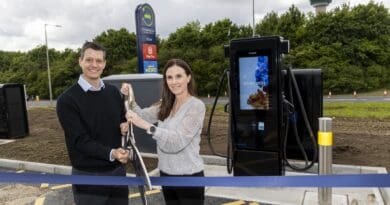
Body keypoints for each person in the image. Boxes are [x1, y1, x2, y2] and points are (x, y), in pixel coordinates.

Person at [122, 59, 206, 205]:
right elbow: (141, 115)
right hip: (166, 174)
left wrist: (147, 126)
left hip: (189, 177)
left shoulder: (196, 106)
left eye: (178, 76)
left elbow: (178, 140)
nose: (174, 82)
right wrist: (131, 96)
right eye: (169, 77)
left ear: (188, 78)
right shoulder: (165, 104)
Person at [56, 41, 130, 205]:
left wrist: (124, 126)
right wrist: (113, 153)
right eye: (89, 60)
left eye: (98, 61)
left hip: (117, 172)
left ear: (104, 64)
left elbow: (122, 120)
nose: (94, 65)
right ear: (80, 61)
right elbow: (80, 141)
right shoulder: (67, 100)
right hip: (89, 177)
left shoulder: (112, 92)